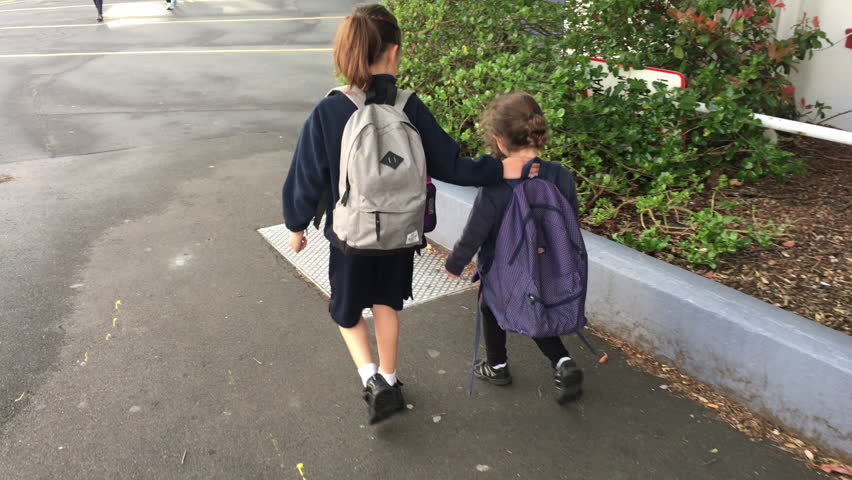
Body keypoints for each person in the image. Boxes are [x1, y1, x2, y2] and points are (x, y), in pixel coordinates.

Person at [281, 4, 537, 425]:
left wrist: (296, 224)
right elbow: (450, 165)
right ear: (394, 53)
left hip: (351, 239)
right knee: (387, 306)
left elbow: (306, 175)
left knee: (346, 314)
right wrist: (500, 168)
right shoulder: (409, 107)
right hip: (400, 235)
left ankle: (371, 381)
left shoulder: (329, 111)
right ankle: (391, 376)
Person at [444, 93, 585, 404]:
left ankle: (497, 365)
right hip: (551, 262)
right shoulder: (558, 174)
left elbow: (477, 230)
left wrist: (456, 262)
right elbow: (570, 218)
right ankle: (562, 362)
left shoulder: (497, 182)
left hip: (504, 266)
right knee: (537, 307)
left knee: (493, 308)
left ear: (499, 140)